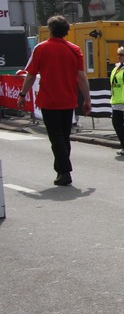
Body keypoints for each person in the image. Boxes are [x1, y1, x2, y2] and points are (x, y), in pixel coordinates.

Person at [18, 15, 90, 186]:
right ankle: (61, 171)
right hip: (68, 99)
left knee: (56, 138)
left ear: (50, 29)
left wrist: (22, 94)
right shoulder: (74, 49)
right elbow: (81, 77)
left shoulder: (41, 48)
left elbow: (31, 75)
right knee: (64, 137)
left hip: (49, 100)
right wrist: (87, 99)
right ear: (66, 31)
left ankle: (64, 171)